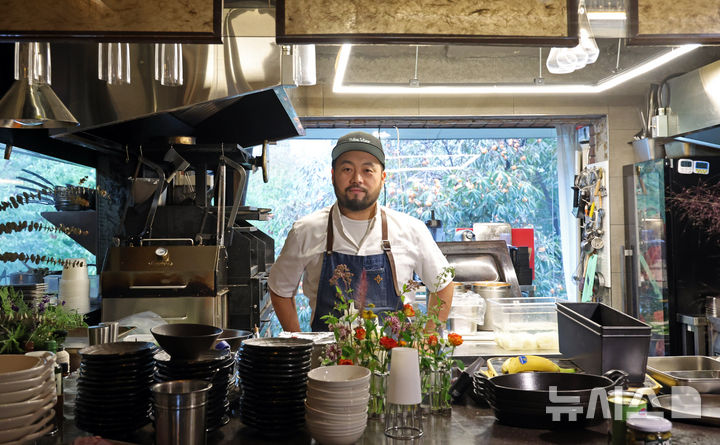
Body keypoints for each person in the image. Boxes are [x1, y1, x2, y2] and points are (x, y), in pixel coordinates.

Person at [268, 131, 453, 332]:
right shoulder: (305, 231)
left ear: (382, 178)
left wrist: (428, 339)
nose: (357, 179)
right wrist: (300, 346)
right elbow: (280, 290)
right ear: (332, 175)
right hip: (330, 360)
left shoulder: (411, 230)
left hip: (397, 360)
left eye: (367, 170)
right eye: (347, 169)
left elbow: (442, 285)